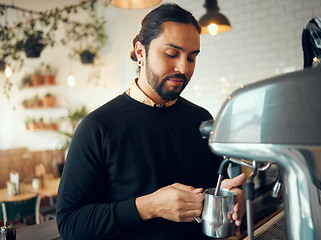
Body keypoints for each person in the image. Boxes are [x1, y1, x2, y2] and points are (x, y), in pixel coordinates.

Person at [56, 3, 246, 240]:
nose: (183, 68)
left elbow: (219, 185)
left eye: (192, 57)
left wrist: (234, 197)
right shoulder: (97, 127)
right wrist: (149, 206)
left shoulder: (201, 120)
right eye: (171, 54)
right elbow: (70, 223)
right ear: (140, 52)